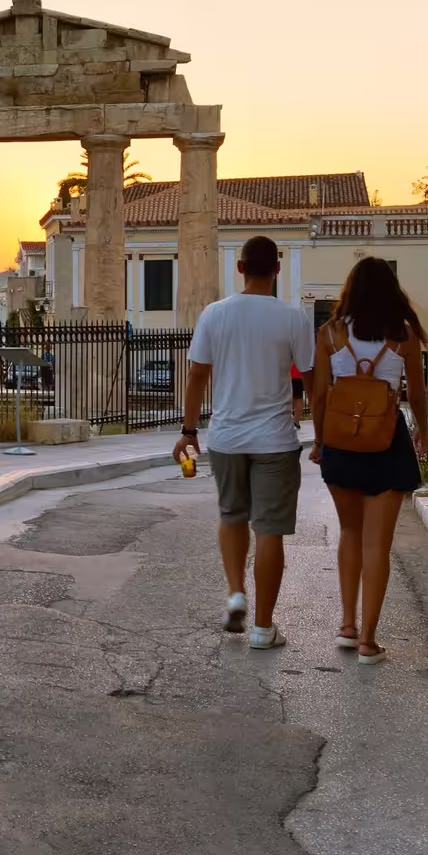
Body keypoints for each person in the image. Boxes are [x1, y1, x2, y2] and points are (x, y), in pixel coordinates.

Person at [174, 235, 314, 651]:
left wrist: (188, 431)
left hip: (227, 438)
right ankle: (263, 629)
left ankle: (236, 593)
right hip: (275, 439)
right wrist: (320, 431)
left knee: (232, 516)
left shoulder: (215, 315)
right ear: (277, 269)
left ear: (240, 269)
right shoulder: (292, 319)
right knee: (269, 531)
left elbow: (198, 374)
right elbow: (311, 380)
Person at [308, 257, 428, 664]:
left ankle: (346, 625)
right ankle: (368, 641)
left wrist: (319, 440)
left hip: (341, 441)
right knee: (378, 543)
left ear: (350, 290)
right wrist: (423, 431)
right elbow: (415, 395)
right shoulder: (404, 337)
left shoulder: (329, 334)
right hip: (387, 440)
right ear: (392, 291)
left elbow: (321, 396)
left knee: (349, 533)